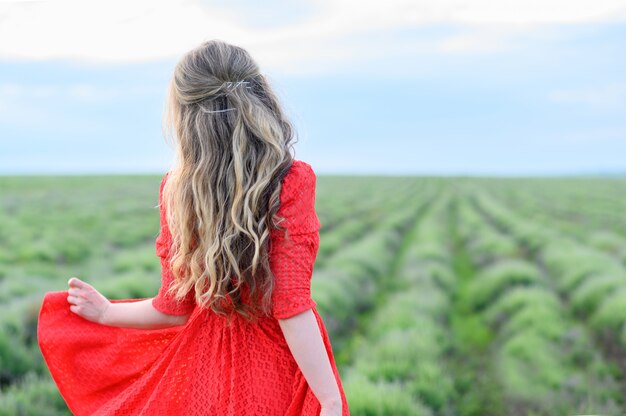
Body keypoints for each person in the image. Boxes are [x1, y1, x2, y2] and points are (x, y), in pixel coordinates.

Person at [37, 39, 349, 416]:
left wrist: (107, 314)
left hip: (202, 374)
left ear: (186, 115)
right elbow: (290, 306)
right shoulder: (289, 181)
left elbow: (173, 309)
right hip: (277, 372)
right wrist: (329, 400)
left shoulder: (178, 191)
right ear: (258, 96)